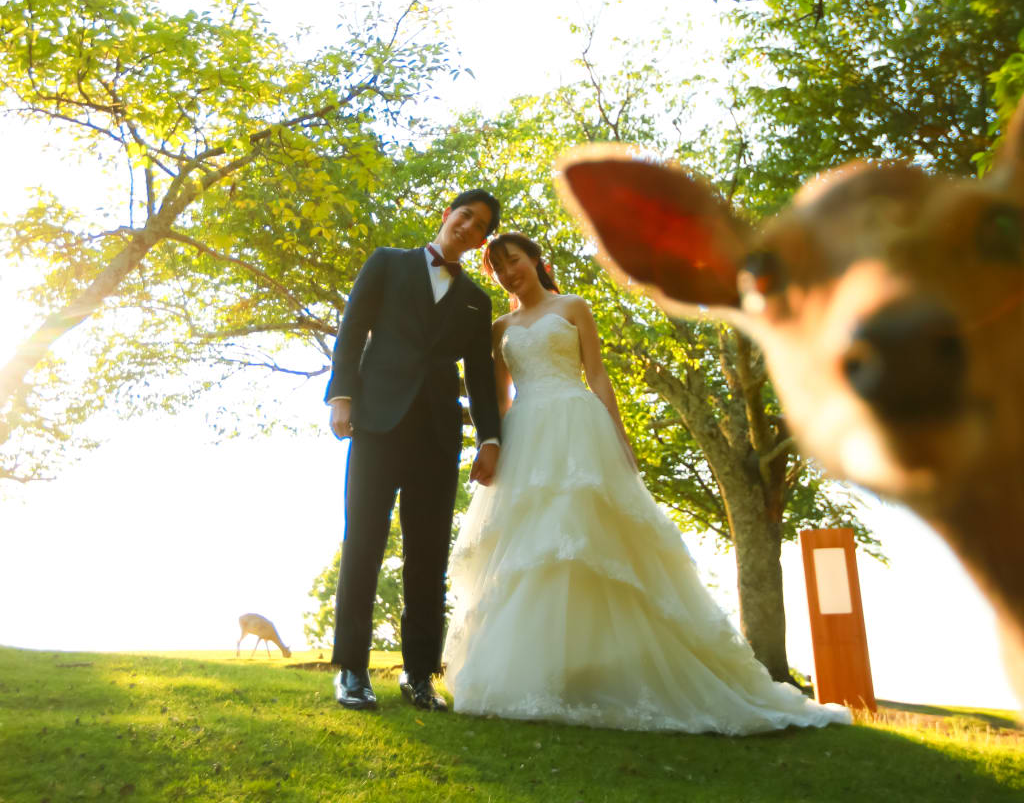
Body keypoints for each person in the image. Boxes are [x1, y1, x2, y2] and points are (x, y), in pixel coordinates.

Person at [442, 232, 851, 734]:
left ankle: (607, 670)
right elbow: (499, 398)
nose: (509, 273)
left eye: (515, 261)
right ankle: (541, 672)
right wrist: (493, 447)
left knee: (585, 540)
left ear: (534, 259)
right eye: (499, 268)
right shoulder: (500, 328)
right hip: (526, 436)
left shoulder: (573, 307)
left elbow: (597, 376)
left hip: (577, 427)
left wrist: (619, 437)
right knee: (528, 551)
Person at [326, 190, 502, 712]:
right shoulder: (387, 263)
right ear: (447, 215)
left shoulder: (477, 301)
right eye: (465, 215)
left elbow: (481, 378)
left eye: (480, 226)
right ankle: (352, 669)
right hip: (377, 422)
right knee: (363, 541)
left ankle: (419, 673)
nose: (468, 227)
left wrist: (490, 439)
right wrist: (342, 396)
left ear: (482, 240)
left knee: (428, 554)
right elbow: (352, 328)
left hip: (438, 434)